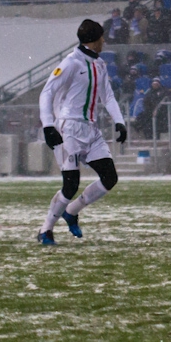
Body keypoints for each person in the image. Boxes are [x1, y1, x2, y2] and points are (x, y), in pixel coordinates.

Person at [37, 19, 127, 245]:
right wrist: (48, 125)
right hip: (69, 128)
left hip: (91, 128)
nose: (104, 41)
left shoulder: (100, 64)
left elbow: (108, 96)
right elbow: (46, 93)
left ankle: (72, 211)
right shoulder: (70, 63)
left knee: (110, 177)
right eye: (102, 37)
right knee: (70, 184)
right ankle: (45, 229)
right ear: (95, 40)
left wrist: (119, 121)